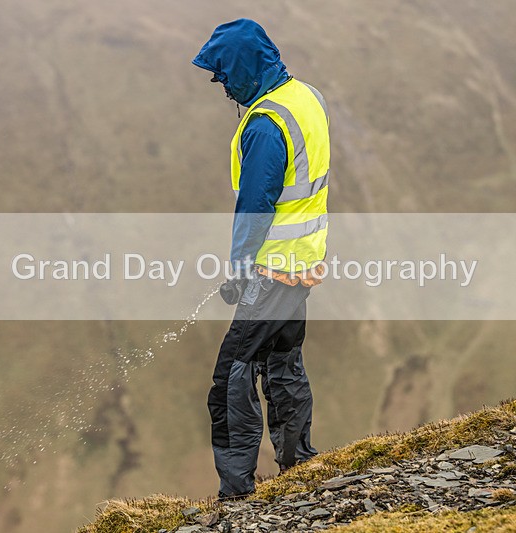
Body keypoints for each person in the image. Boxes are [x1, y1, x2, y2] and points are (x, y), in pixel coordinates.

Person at [192, 19, 331, 501]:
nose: (222, 84)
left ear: (245, 67)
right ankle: (298, 462)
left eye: (224, 73)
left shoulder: (267, 126)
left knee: (231, 373)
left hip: (271, 269)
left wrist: (238, 268)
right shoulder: (307, 97)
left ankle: (236, 491)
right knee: (283, 362)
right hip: (304, 262)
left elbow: (255, 206)